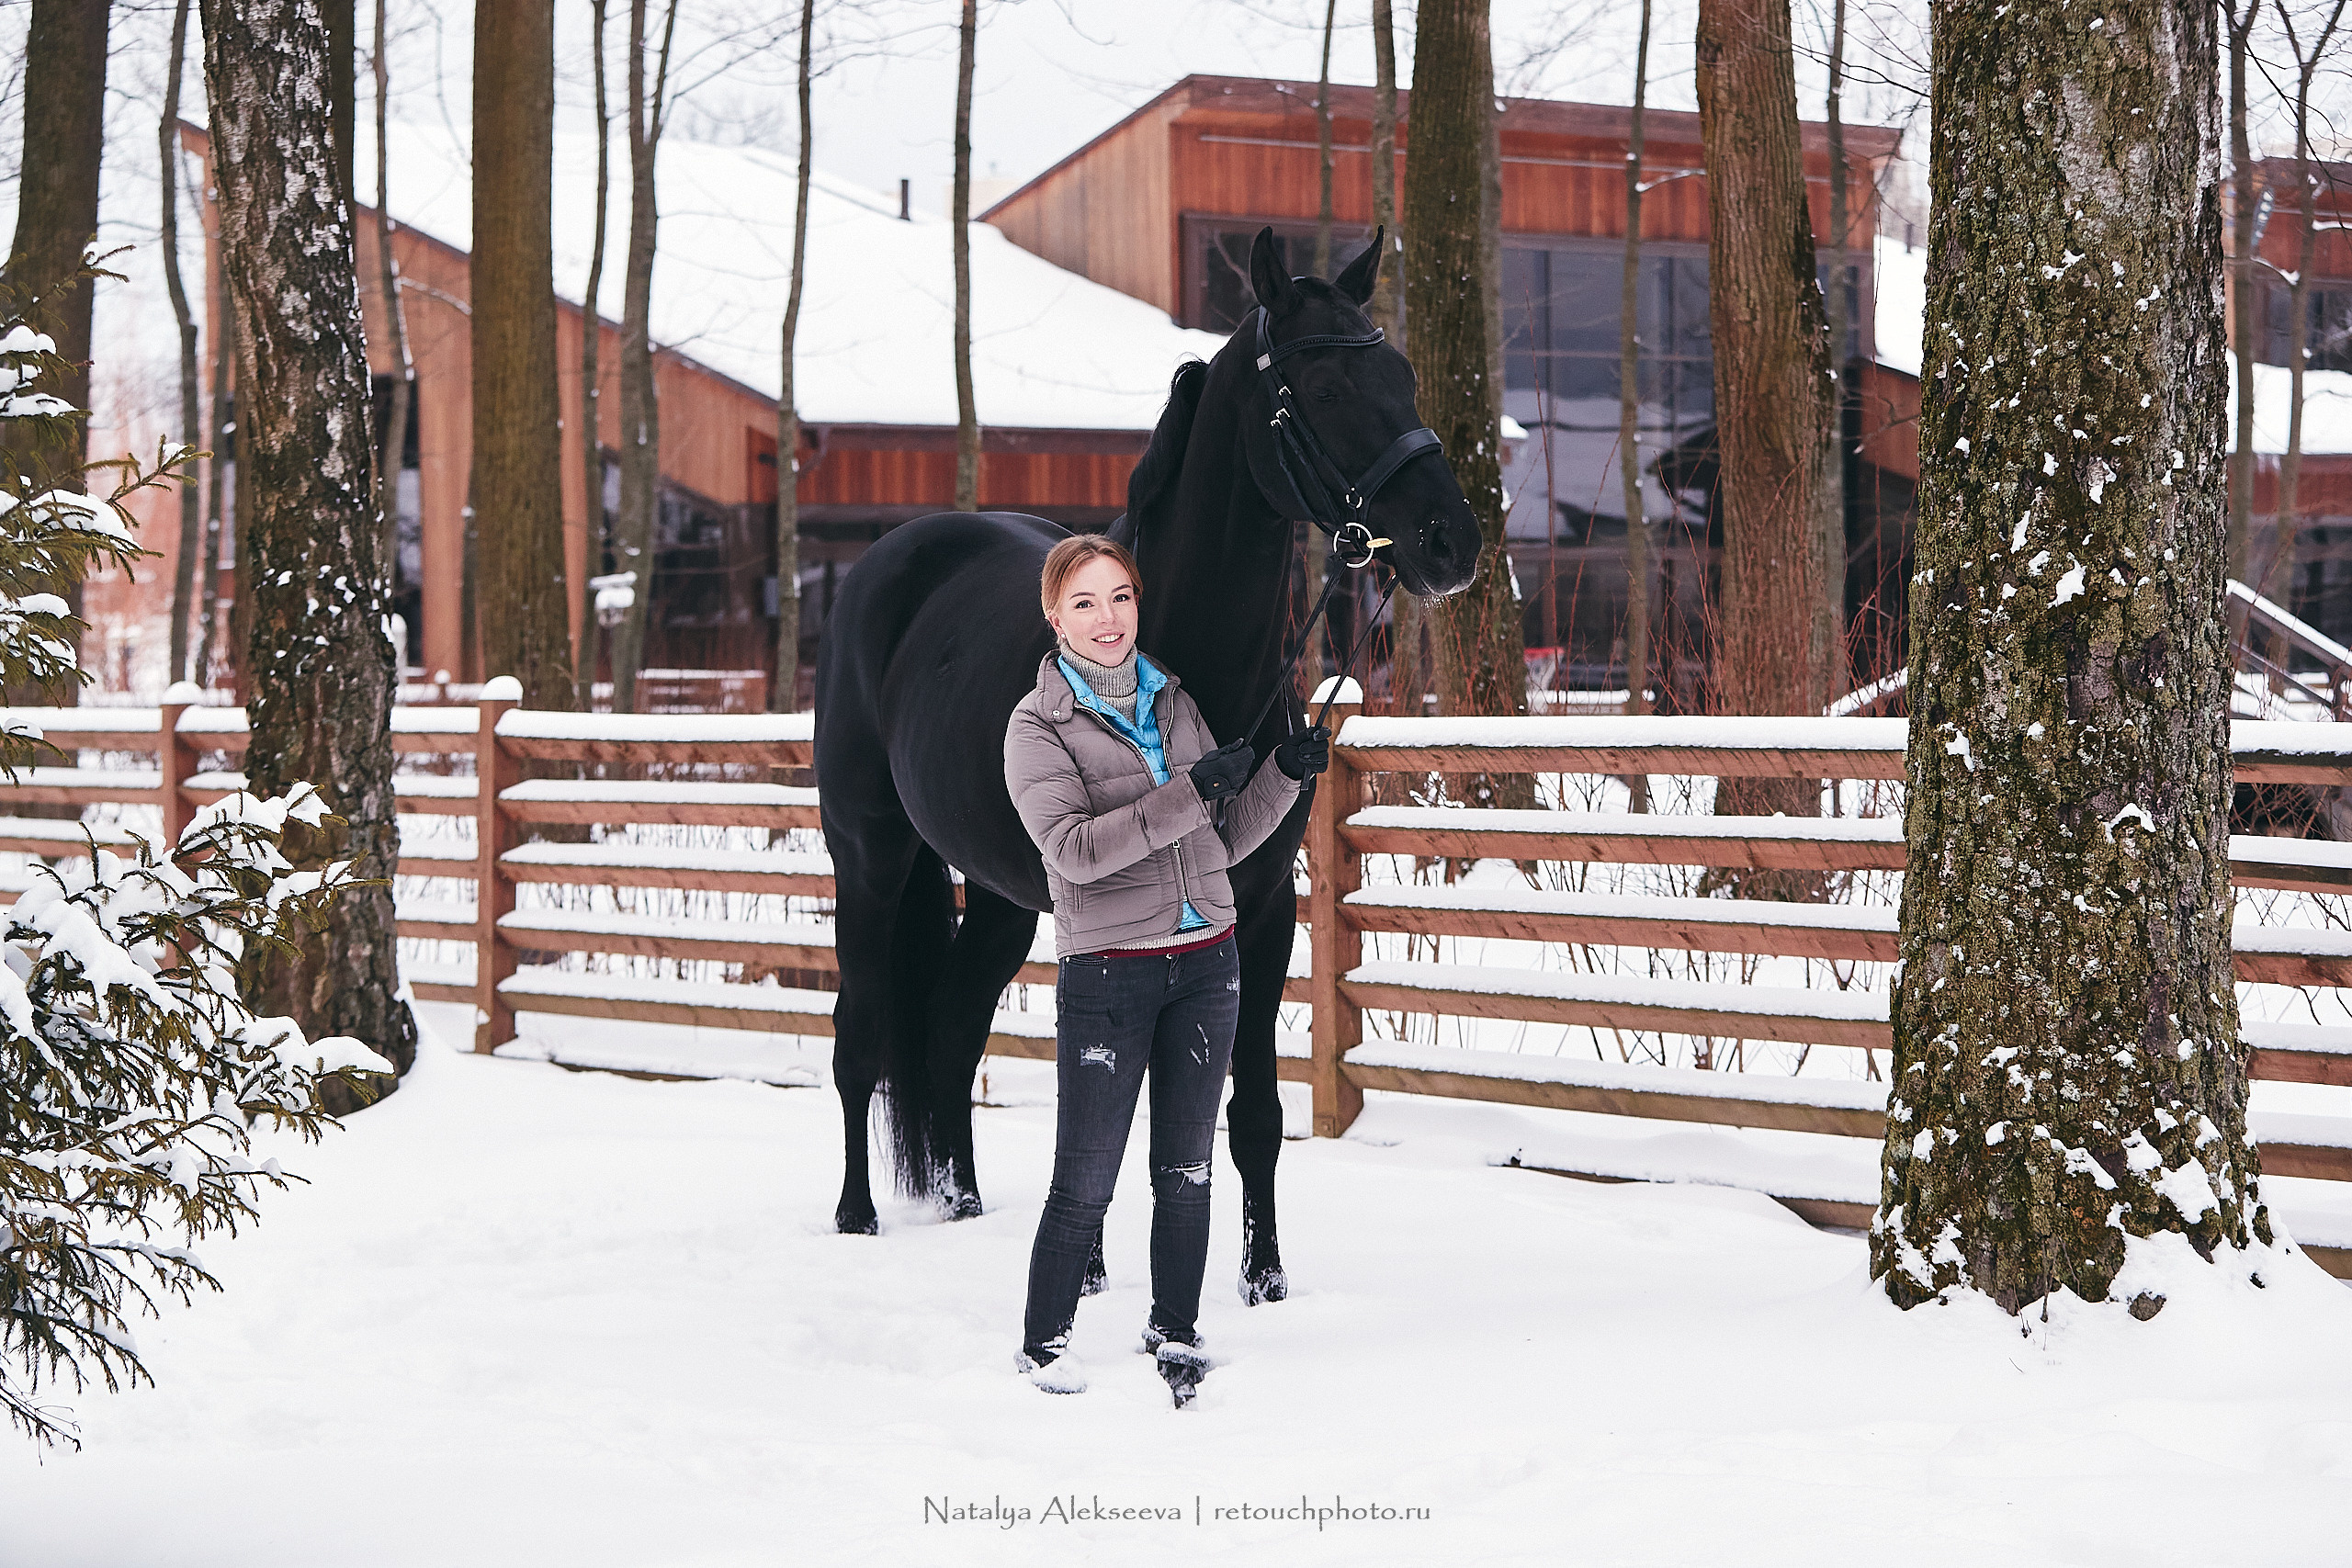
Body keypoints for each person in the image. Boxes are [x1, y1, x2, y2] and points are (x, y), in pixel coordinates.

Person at [1002, 534, 1328, 1407]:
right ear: (1055, 616)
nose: (1107, 618)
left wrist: (1283, 778)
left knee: (1187, 1171)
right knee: (1085, 1179)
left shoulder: (1173, 702)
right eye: (1084, 602)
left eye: (1120, 597)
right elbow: (1073, 852)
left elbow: (1219, 841)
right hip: (1111, 973)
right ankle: (1044, 1345)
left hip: (1206, 961)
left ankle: (1176, 1328)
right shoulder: (1037, 727)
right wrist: (1187, 792)